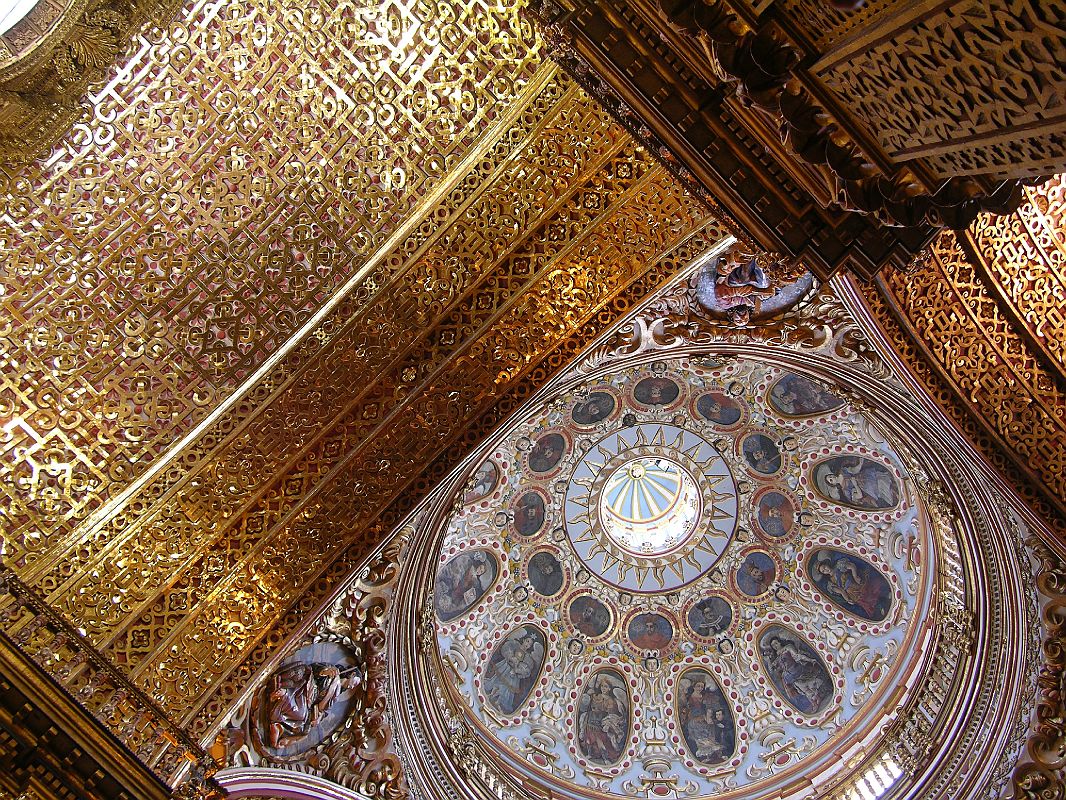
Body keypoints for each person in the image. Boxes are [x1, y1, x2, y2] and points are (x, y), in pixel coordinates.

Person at [484, 629, 543, 714]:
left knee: (506, 689)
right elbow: (505, 648)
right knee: (497, 681)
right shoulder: (514, 645)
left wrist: (517, 669)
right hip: (505, 667)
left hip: (513, 675)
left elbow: (527, 670)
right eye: (527, 641)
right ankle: (491, 695)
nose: (527, 645)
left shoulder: (528, 658)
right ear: (523, 640)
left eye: (530, 644)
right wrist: (511, 657)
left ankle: (498, 702)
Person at [578, 674, 628, 763]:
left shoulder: (611, 700)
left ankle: (605, 758)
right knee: (589, 737)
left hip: (601, 720)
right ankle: (589, 753)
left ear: (609, 688)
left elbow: (609, 712)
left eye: (606, 686)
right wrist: (591, 695)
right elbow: (592, 706)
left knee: (600, 740)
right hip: (592, 718)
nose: (603, 688)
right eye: (602, 686)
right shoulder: (596, 696)